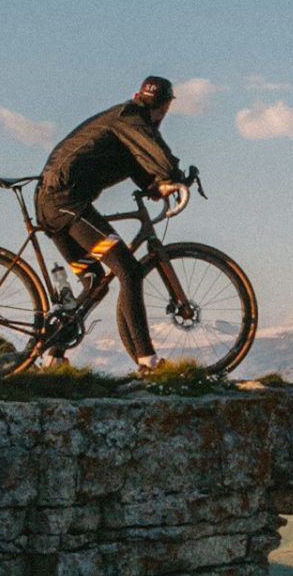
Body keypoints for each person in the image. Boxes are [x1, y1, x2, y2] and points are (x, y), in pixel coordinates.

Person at [35, 76, 188, 369]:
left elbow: (136, 163)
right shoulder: (132, 117)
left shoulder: (124, 121)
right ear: (166, 105)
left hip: (53, 203)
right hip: (66, 203)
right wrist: (173, 177)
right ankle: (147, 359)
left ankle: (53, 354)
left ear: (138, 94)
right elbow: (157, 153)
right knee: (128, 270)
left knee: (94, 281)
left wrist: (154, 186)